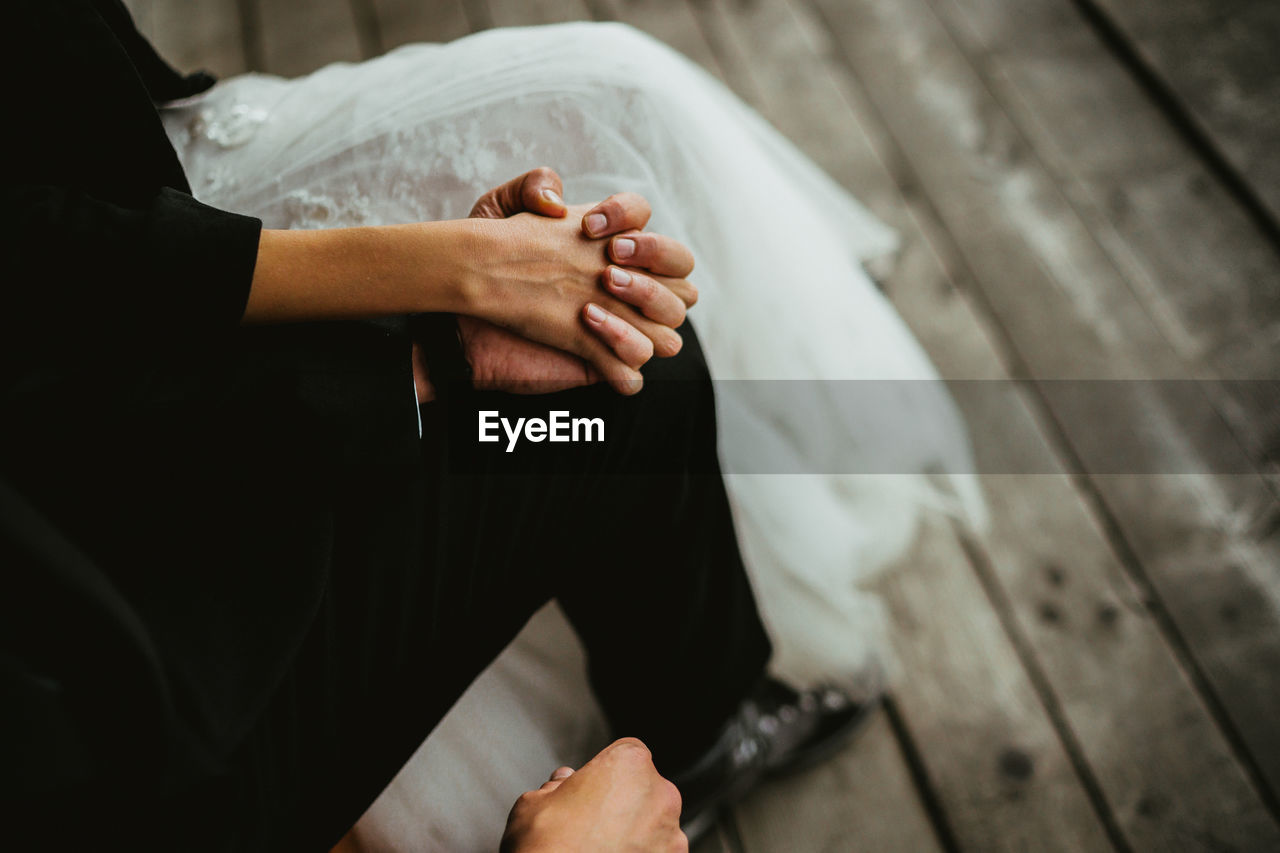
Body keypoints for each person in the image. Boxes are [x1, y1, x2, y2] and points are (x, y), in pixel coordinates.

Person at [3, 1, 979, 850]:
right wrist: (453, 273)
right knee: (609, 383)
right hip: (162, 784)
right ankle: (705, 725)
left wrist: (419, 366)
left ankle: (705, 733)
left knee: (604, 398)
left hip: (100, 530)